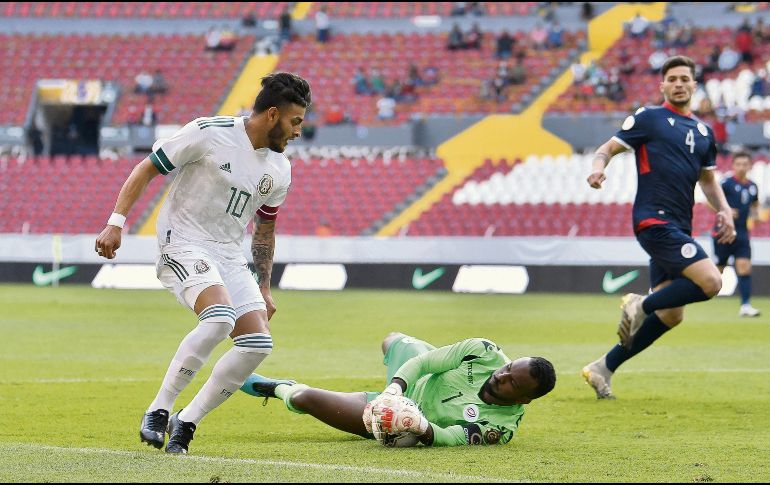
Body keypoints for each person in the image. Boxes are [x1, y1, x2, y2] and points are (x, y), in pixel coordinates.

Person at [94, 72, 312, 453]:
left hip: (228, 252)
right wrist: (116, 223)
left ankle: (187, 420)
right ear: (273, 114)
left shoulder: (280, 169)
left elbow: (264, 230)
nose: (298, 132)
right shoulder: (208, 132)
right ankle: (159, 409)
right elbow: (147, 168)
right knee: (219, 318)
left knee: (257, 344)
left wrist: (263, 287)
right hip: (183, 241)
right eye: (296, 121)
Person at [581, 56, 736, 400]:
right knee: (711, 282)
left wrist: (724, 210)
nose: (679, 83)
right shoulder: (649, 118)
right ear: (663, 85)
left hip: (680, 225)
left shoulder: (703, 132)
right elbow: (607, 149)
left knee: (671, 314)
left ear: (695, 85)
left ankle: (602, 368)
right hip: (654, 219)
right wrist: (596, 167)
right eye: (673, 78)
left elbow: (708, 180)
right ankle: (640, 303)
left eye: (685, 78)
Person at [240, 333, 556, 446]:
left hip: (398, 420)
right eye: (507, 368)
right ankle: (400, 363)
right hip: (406, 386)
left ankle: (279, 388)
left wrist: (418, 426)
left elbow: (453, 437)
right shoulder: (485, 351)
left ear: (525, 399)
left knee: (304, 398)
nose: (501, 375)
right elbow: (424, 363)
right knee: (393, 340)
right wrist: (394, 389)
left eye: (512, 382)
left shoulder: (500, 428)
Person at [712, 151, 762, 317]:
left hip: (741, 234)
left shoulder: (753, 186)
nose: (741, 167)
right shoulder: (725, 183)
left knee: (744, 267)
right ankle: (698, 298)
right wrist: (724, 210)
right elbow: (709, 201)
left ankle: (746, 306)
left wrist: (756, 215)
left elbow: (755, 206)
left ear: (750, 166)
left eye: (744, 164)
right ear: (733, 165)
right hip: (723, 233)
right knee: (716, 272)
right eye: (738, 164)